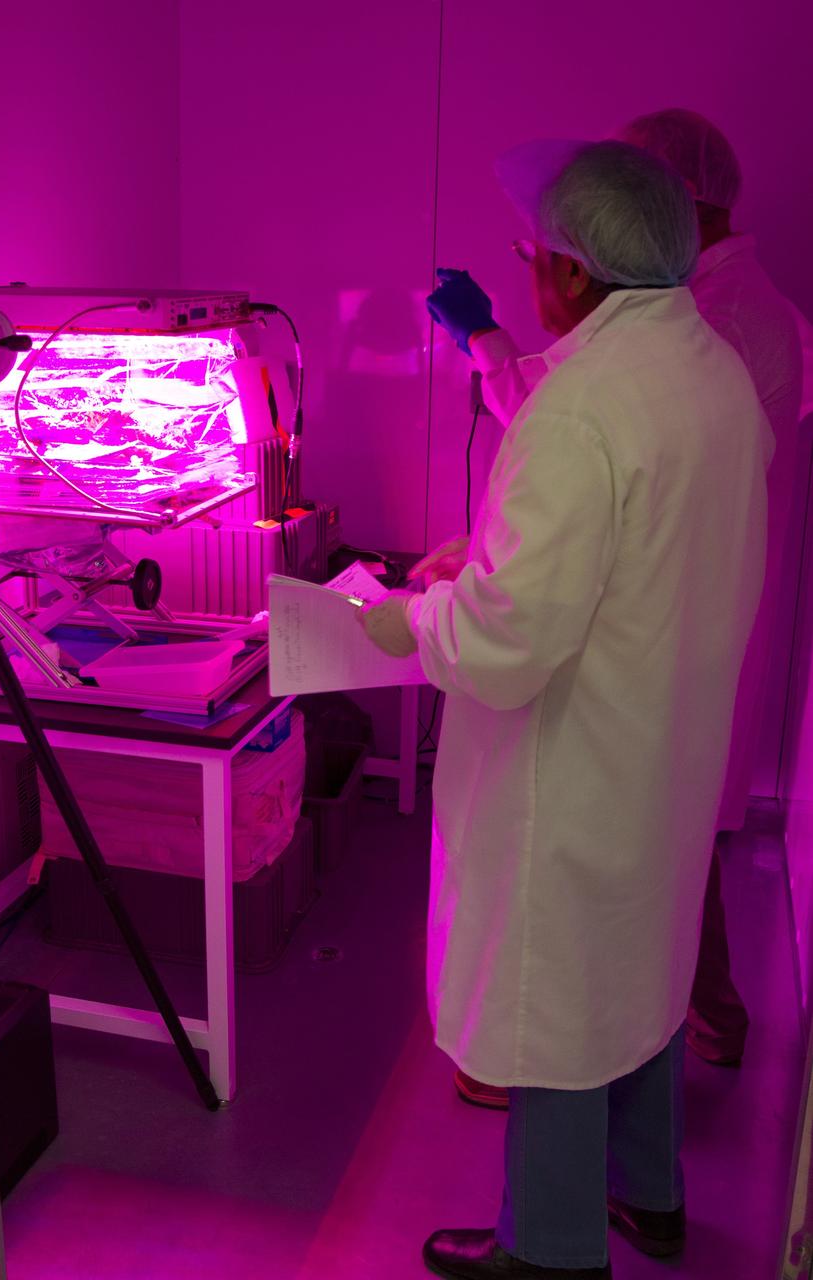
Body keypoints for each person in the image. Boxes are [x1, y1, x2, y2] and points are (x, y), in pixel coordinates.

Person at [359, 139, 769, 1279]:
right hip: (666, 747)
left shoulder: (582, 407)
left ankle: (545, 1250)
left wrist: (415, 615)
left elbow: (507, 645)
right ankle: (651, 1193)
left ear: (575, 276)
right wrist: (485, 558)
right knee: (638, 971)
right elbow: (631, 554)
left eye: (531, 257)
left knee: (556, 996)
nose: (527, 276)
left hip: (578, 765)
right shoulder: (708, 368)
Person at [465, 110, 803, 1072]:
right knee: (651, 911)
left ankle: (558, 1215)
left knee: (590, 960)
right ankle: (649, 1162)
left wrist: (423, 616)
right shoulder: (700, 340)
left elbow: (513, 630)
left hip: (628, 672)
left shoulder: (704, 336)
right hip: (675, 638)